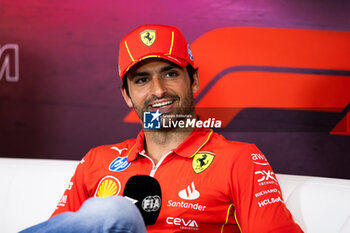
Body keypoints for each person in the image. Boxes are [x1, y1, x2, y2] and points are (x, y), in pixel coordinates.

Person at [22, 24, 303, 233]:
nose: (158, 90)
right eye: (142, 80)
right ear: (126, 95)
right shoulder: (97, 160)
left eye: (170, 74)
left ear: (193, 81)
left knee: (117, 210)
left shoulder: (239, 159)